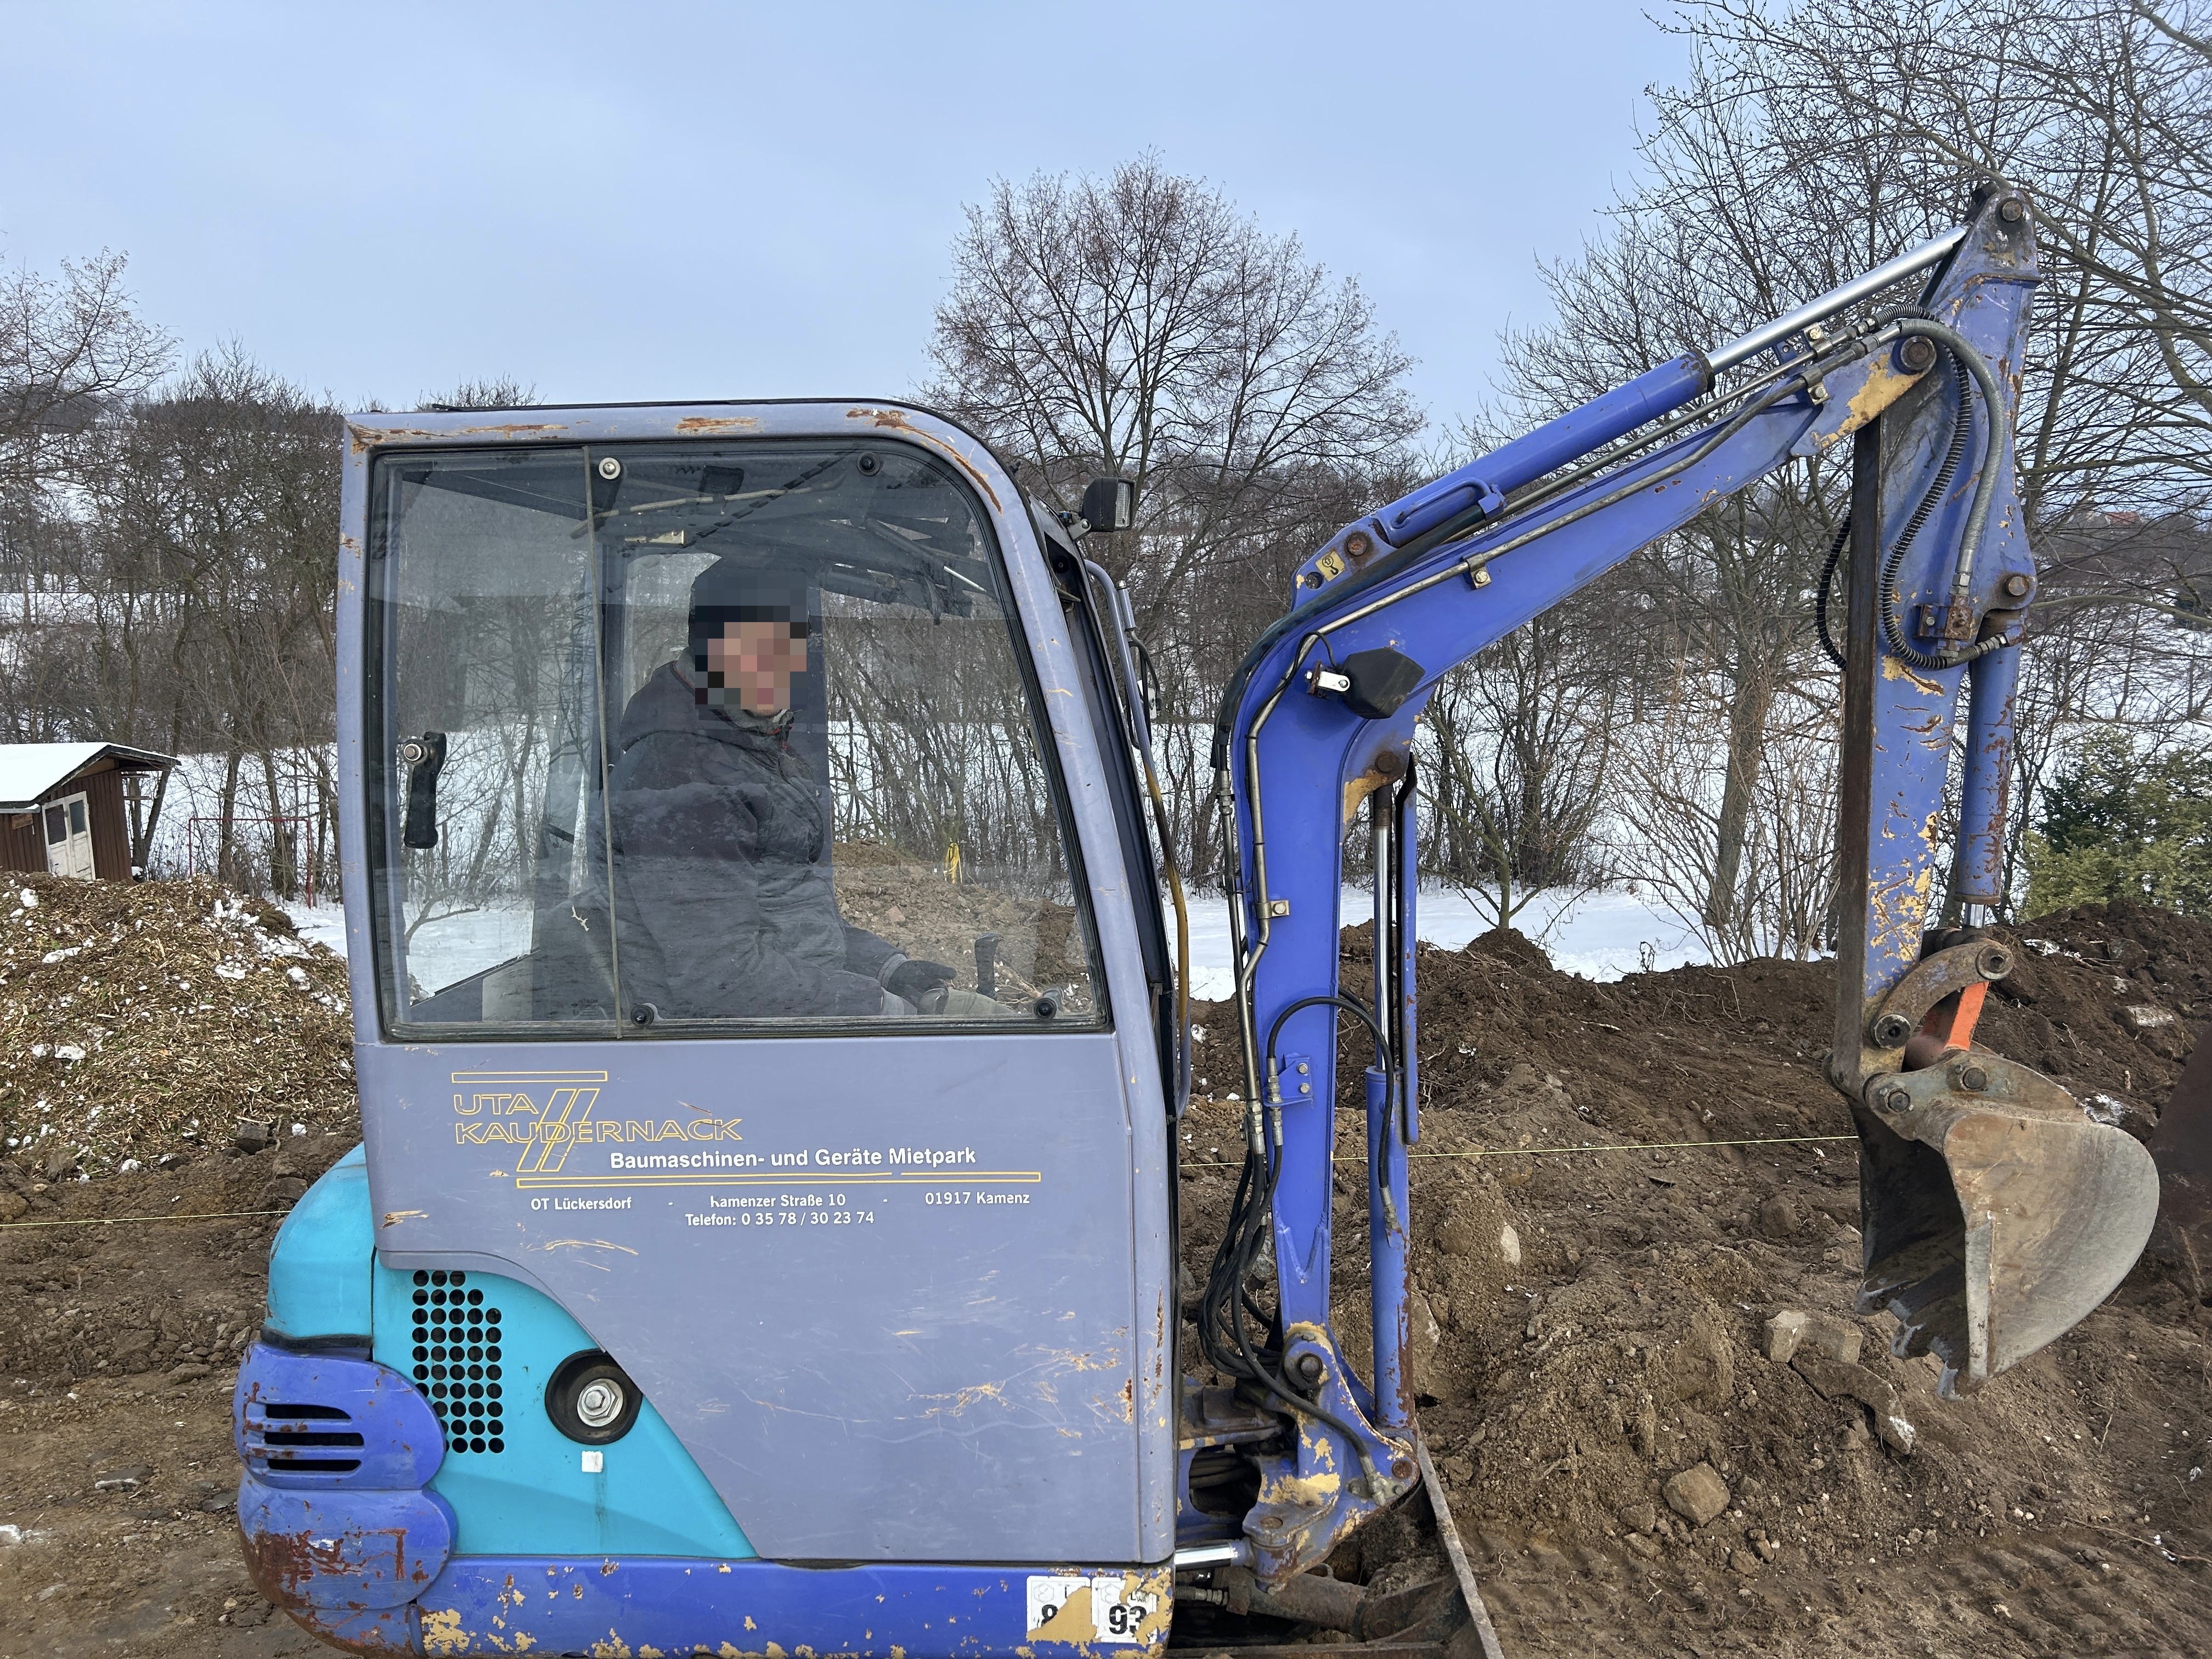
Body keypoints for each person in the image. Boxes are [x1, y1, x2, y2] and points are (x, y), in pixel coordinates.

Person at [607, 558, 998, 1022]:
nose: (774, 664)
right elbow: (720, 977)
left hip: (788, 1013)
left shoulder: (747, 747)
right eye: (751, 645)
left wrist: (888, 970)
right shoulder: (679, 778)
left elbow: (790, 911)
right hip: (722, 1037)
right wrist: (877, 1007)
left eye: (787, 645)